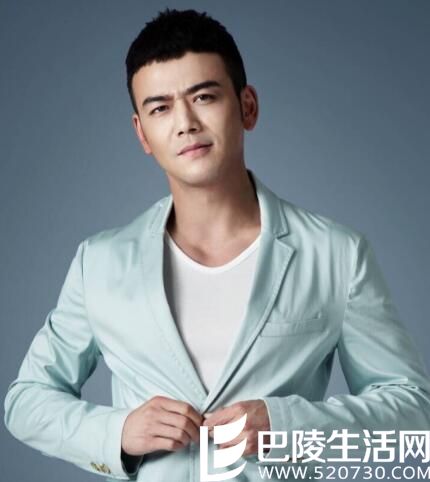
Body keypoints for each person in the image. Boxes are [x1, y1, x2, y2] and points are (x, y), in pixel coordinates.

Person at [4, 7, 430, 482]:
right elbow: (26, 402)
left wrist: (286, 426)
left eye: (204, 97)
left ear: (247, 106)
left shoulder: (337, 255)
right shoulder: (99, 263)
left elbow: (413, 411)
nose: (185, 123)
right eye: (160, 108)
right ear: (142, 133)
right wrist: (118, 431)